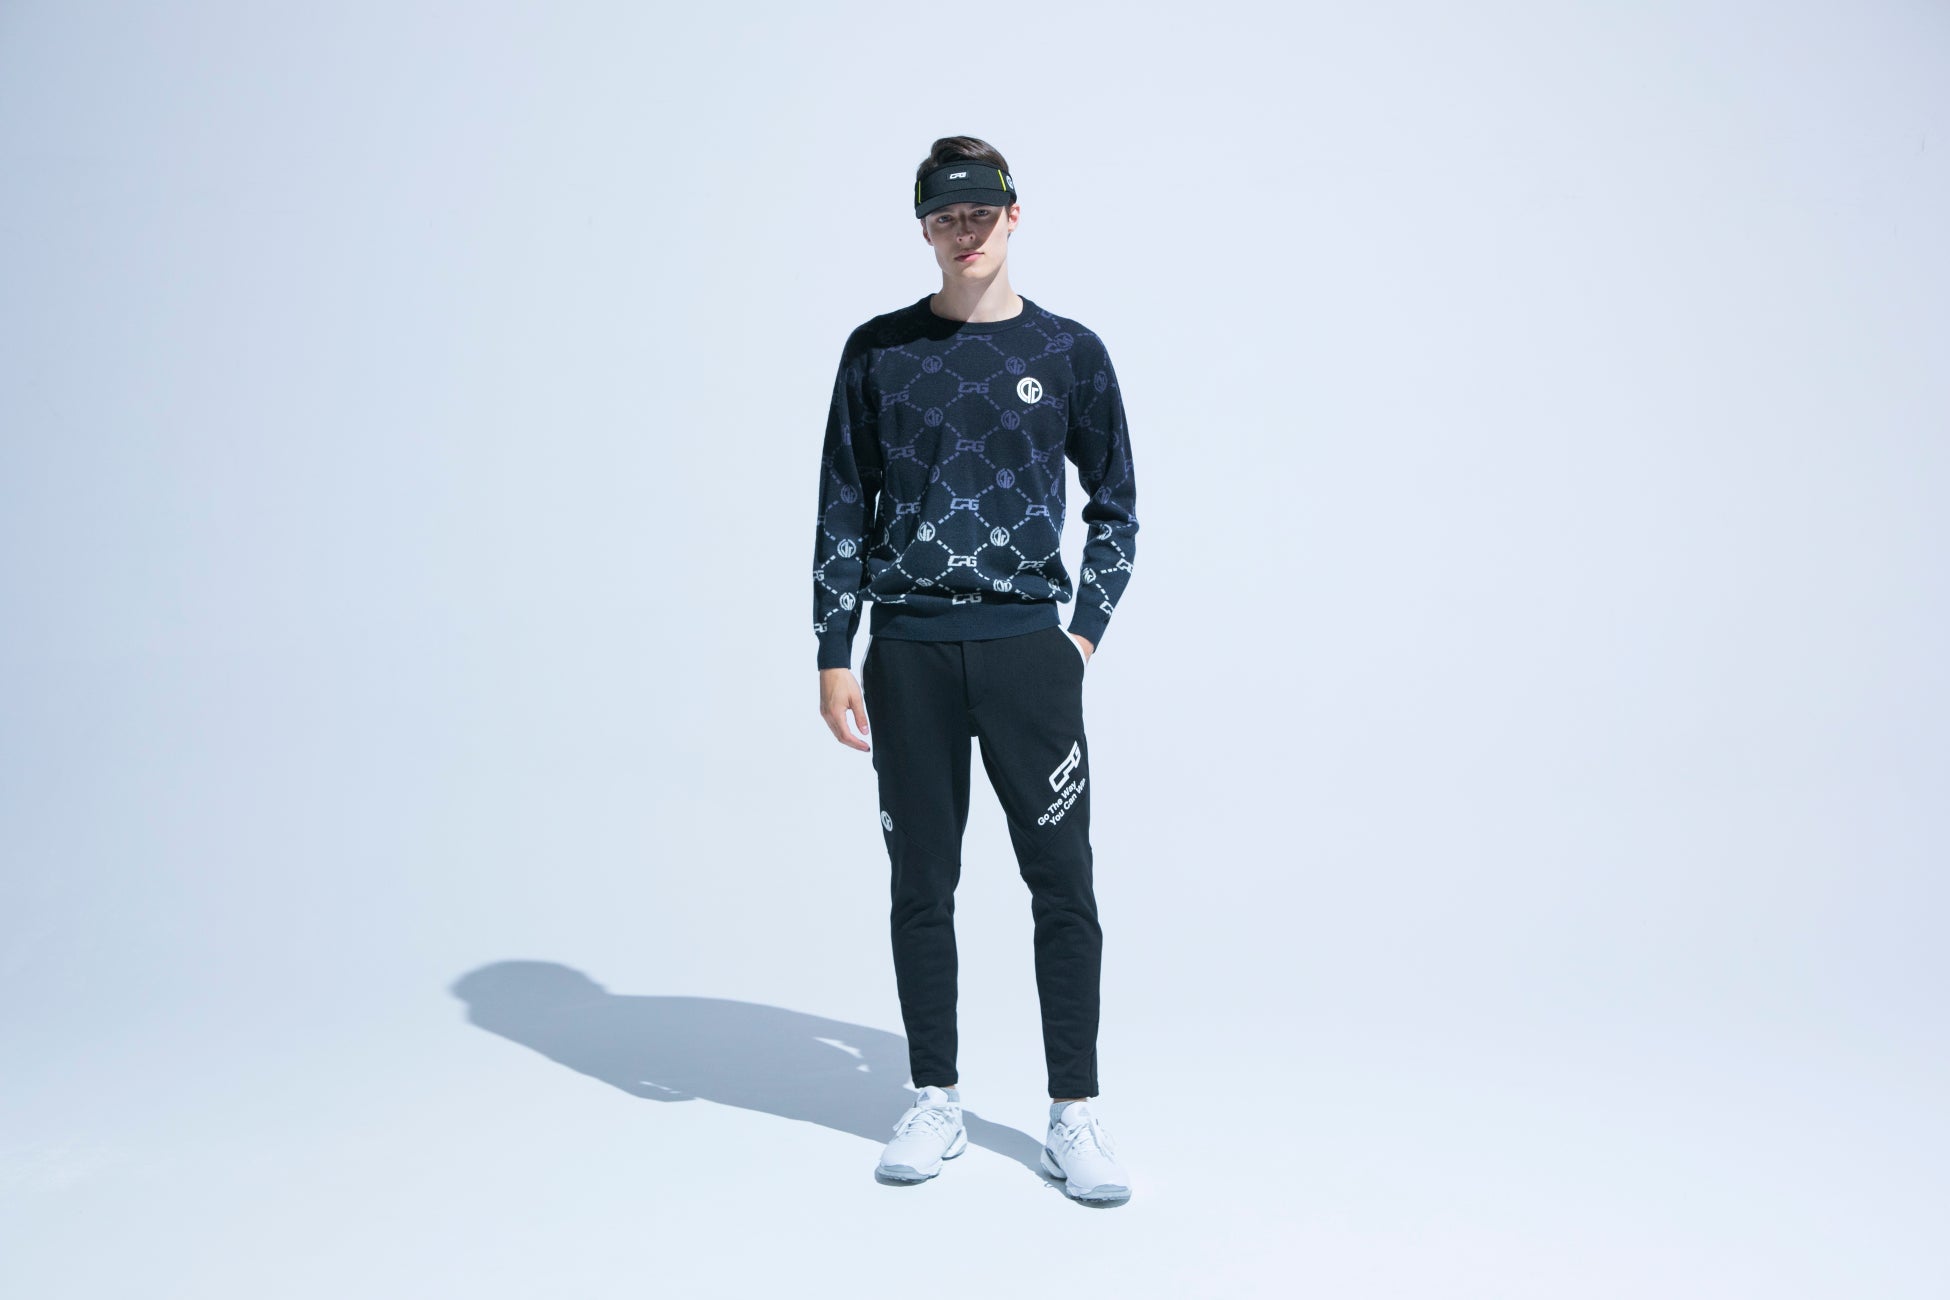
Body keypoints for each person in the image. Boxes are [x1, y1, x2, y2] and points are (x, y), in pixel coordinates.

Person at [811, 136, 1140, 1205]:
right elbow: (842, 505)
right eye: (945, 217)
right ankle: (934, 1096)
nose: (966, 233)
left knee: (1063, 884)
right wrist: (833, 648)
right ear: (923, 227)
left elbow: (1119, 508)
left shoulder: (1070, 352)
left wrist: (1078, 636)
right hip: (906, 650)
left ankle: (1073, 1111)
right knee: (922, 883)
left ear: (1014, 215)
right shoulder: (879, 352)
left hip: (1026, 654)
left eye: (981, 214)